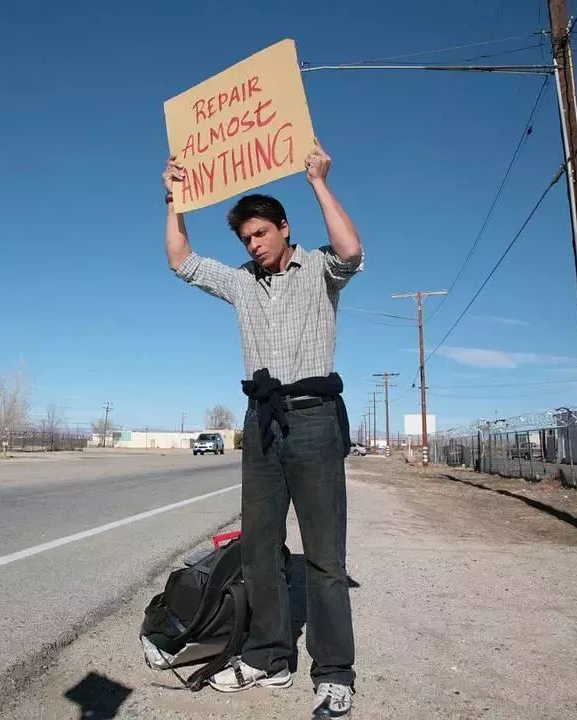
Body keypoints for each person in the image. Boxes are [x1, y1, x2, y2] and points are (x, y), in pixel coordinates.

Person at [162, 141, 362, 720]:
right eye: (245, 239)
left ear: (283, 227)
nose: (253, 245)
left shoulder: (319, 267)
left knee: (324, 556)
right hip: (262, 422)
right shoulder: (242, 283)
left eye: (260, 234)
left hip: (316, 420)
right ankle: (270, 657)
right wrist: (173, 199)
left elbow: (351, 252)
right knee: (259, 550)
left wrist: (320, 180)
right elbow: (181, 261)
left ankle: (334, 674)